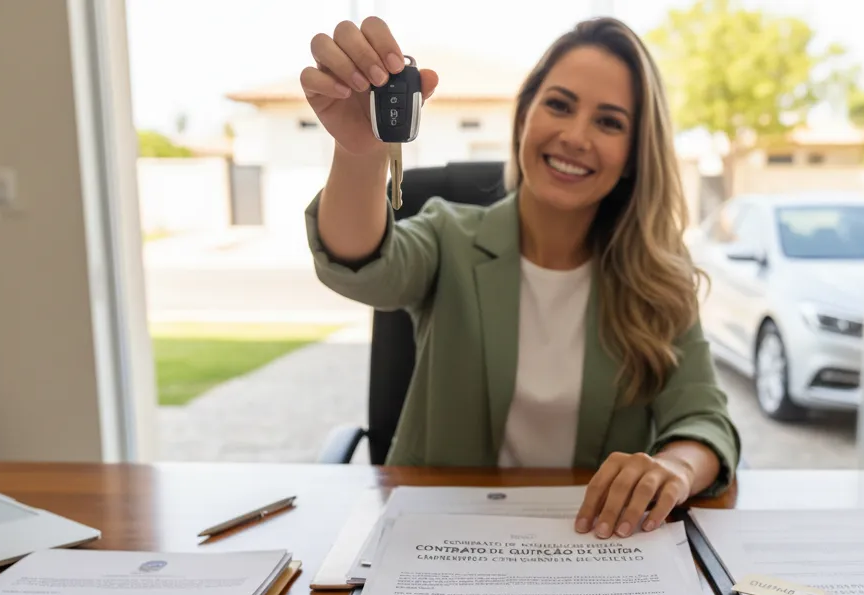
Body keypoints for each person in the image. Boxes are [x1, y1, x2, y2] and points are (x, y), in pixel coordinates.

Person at [299, 16, 739, 539]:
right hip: (441, 540)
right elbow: (360, 266)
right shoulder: (449, 236)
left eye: (609, 122)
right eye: (559, 105)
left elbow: (704, 420)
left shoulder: (658, 278)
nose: (575, 136)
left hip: (593, 544)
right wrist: (359, 154)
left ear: (633, 156)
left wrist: (676, 467)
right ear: (524, 114)